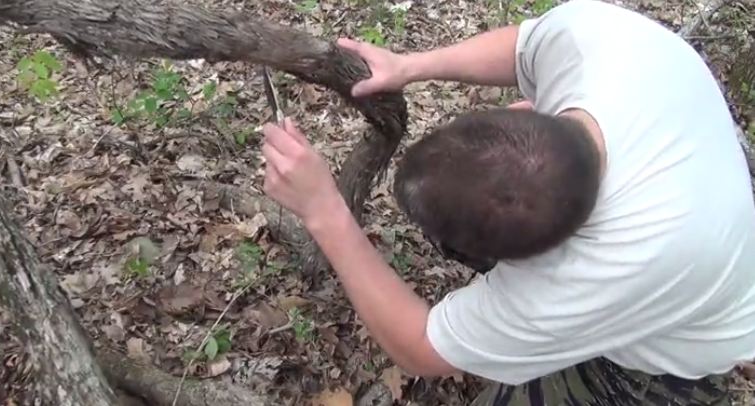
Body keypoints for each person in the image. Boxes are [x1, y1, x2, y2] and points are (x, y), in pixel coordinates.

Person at [258, 0, 755, 404]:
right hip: (706, 206)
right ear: (521, 114)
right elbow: (522, 47)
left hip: (670, 354)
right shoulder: (597, 40)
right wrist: (410, 66)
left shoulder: (593, 275)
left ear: (541, 261)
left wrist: (326, 213)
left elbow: (423, 350)